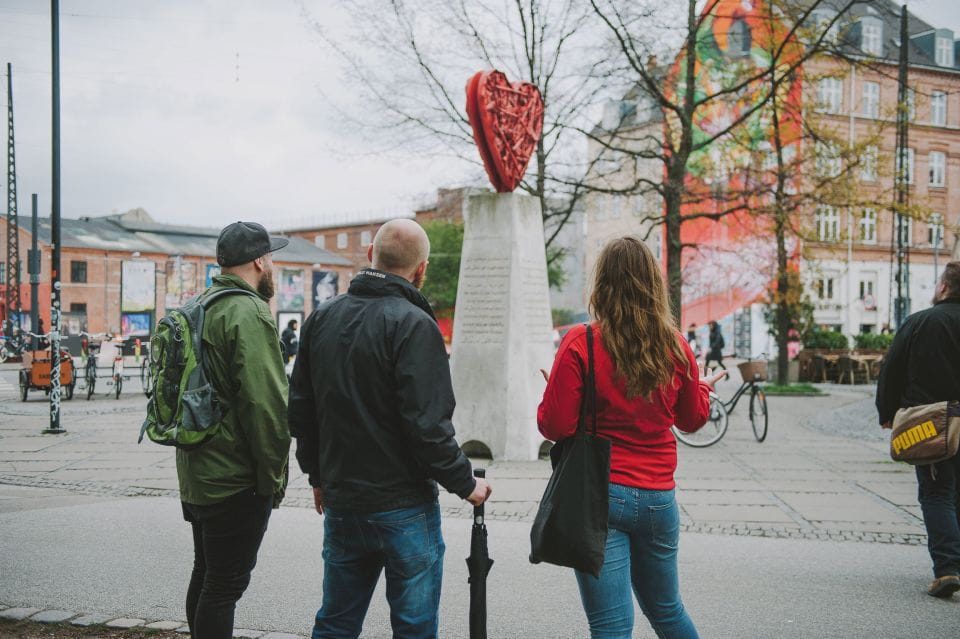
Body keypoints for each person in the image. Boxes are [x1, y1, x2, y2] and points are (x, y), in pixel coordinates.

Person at [289, 218, 492, 639]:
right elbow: (428, 427)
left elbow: (303, 412)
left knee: (336, 620)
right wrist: (464, 482)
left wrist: (317, 476)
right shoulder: (415, 325)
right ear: (422, 269)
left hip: (343, 499)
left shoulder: (321, 319)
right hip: (405, 506)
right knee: (414, 628)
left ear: (369, 256)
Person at [538, 237, 726, 639]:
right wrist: (704, 389)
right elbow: (691, 420)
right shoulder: (676, 346)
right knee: (667, 610)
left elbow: (554, 427)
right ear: (653, 286)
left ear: (602, 284)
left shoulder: (581, 342)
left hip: (599, 496)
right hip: (659, 498)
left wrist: (554, 391)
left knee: (611, 625)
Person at [179, 221, 292, 639]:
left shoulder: (200, 304)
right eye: (272, 258)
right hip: (235, 478)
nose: (273, 266)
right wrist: (271, 480)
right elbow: (266, 407)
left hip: (197, 470)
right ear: (260, 261)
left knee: (207, 574)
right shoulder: (248, 312)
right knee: (224, 585)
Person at [876, 261, 960, 599]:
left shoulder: (921, 322)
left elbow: (891, 369)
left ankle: (948, 569)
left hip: (932, 421)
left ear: (943, 288)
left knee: (937, 492)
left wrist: (887, 412)